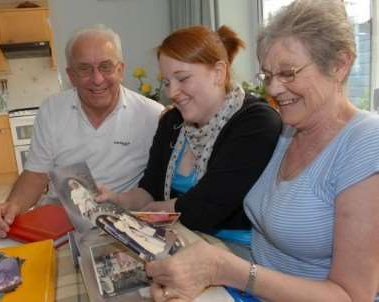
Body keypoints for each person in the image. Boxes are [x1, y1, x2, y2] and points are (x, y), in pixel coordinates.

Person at [145, 1, 379, 301]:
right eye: (268, 75)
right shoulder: (284, 130)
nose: (274, 89)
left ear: (340, 64)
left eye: (288, 73)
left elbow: (351, 295)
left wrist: (228, 269)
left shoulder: (365, 142)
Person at [0, 24, 164, 239]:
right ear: (70, 75)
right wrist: (9, 209)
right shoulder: (51, 110)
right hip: (57, 222)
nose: (97, 79)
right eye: (84, 69)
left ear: (120, 70)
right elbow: (35, 176)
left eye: (106, 66)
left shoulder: (153, 116)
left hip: (120, 225)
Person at [96, 25, 282, 233]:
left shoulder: (256, 122)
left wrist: (155, 211)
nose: (173, 92)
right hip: (180, 237)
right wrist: (118, 200)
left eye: (183, 78)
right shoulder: (172, 121)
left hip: (237, 249)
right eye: (166, 82)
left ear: (219, 73)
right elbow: (149, 189)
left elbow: (207, 207)